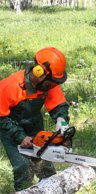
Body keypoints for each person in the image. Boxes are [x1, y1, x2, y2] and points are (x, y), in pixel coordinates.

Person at [0, 47, 70, 191]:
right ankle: (24, 191)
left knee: (45, 163)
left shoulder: (49, 84)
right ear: (39, 72)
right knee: (23, 166)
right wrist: (20, 136)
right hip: (10, 128)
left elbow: (58, 104)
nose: (53, 84)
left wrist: (61, 120)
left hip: (34, 126)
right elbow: (1, 117)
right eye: (51, 80)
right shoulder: (11, 85)